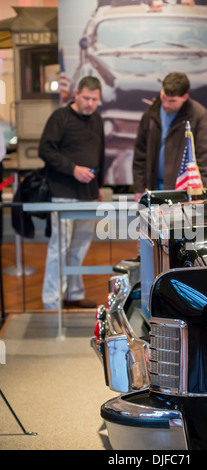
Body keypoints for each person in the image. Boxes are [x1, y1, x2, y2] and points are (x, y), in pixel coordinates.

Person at [39, 76, 105, 310]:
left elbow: (101, 154)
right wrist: (73, 169)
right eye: (86, 98)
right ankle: (52, 301)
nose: (90, 103)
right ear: (76, 94)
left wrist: (99, 187)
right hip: (63, 193)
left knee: (80, 247)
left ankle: (74, 294)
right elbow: (45, 150)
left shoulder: (97, 120)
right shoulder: (60, 117)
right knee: (59, 247)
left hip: (88, 194)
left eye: (94, 99)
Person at [132, 72, 207, 200]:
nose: (165, 104)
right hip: (153, 189)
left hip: (184, 192)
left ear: (185, 97)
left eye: (172, 101)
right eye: (163, 97)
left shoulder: (199, 116)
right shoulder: (151, 114)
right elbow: (140, 155)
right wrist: (139, 188)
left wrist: (199, 192)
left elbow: (206, 159)